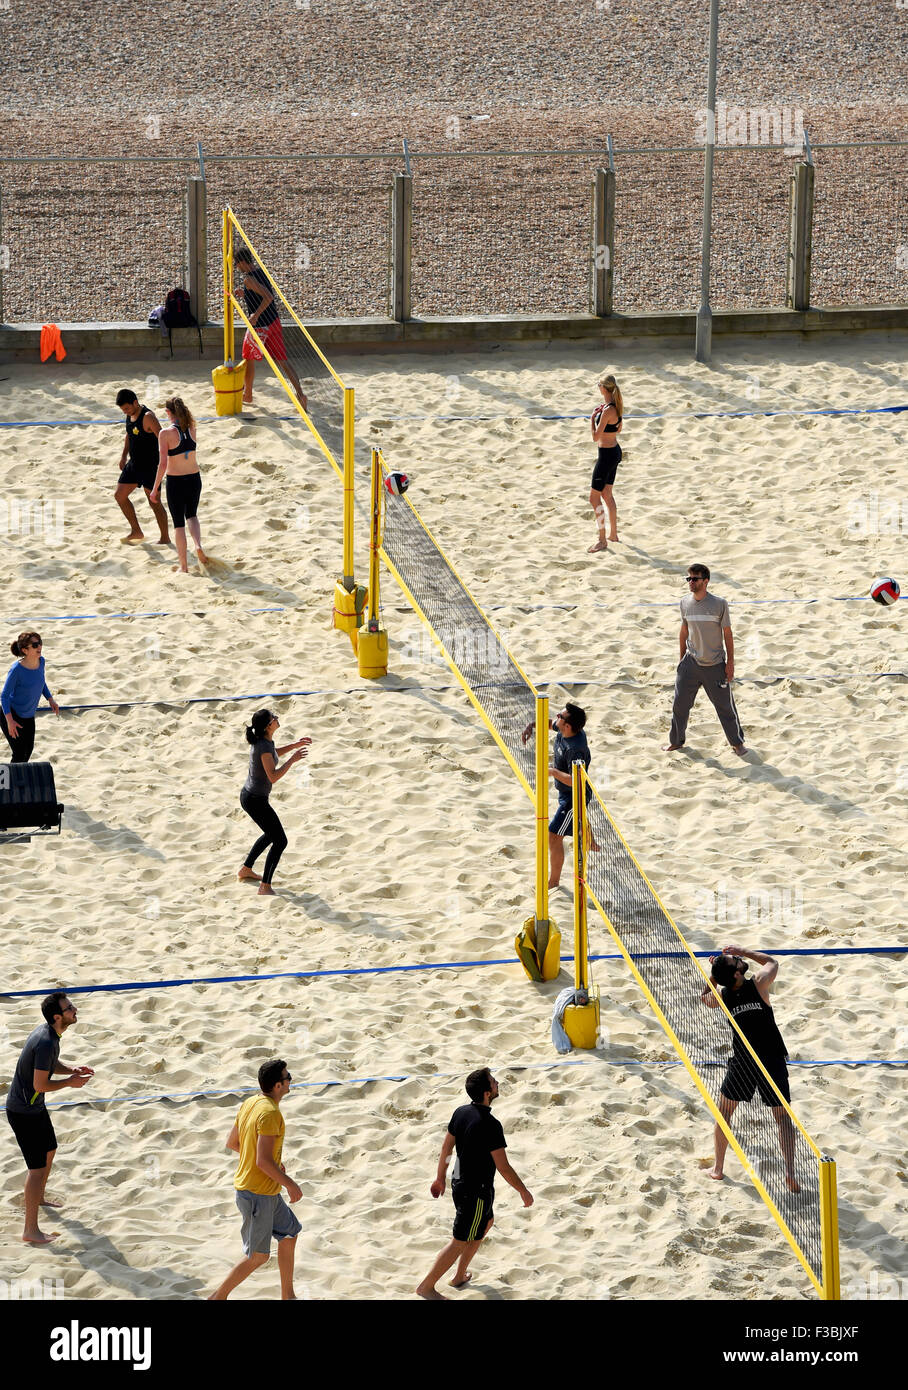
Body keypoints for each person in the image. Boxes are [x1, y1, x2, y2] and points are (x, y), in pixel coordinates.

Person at [416, 1069, 533, 1300]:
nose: (498, 1082)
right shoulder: (490, 1124)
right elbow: (504, 1167)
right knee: (460, 1240)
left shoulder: (461, 1112)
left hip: (460, 1181)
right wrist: (523, 1191)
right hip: (475, 1190)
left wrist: (440, 1178)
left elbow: (446, 1148)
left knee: (486, 1222)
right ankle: (426, 1287)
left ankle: (459, 1276)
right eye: (494, 1081)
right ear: (488, 1093)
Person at [700, 946, 800, 1192]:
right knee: (782, 1118)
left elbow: (704, 997)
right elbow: (772, 961)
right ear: (735, 975)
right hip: (770, 1061)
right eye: (735, 961)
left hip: (744, 1063)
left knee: (724, 1114)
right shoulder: (758, 983)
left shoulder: (724, 996)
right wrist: (743, 950)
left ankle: (718, 1170)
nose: (739, 959)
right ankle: (790, 1174)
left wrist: (715, 974)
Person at [209, 1059, 302, 1300]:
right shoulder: (270, 1113)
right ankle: (217, 1297)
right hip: (256, 1194)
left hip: (266, 1191)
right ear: (278, 1086)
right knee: (258, 1256)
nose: (290, 1078)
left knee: (290, 1233)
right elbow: (262, 1161)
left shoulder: (251, 1103)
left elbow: (233, 1143)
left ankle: (287, 1296)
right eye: (287, 1076)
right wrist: (290, 1183)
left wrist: (270, 1163)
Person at [5, 992, 94, 1244]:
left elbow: (48, 1064)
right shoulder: (45, 1041)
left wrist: (71, 1069)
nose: (74, 1010)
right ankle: (30, 1231)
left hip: (33, 1107)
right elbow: (40, 1084)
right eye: (69, 1008)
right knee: (36, 1169)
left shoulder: (49, 1034)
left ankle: (39, 1198)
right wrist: (70, 1082)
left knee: (50, 1150)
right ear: (58, 1017)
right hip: (23, 1111)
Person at [663, 563, 747, 755]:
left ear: (706, 581)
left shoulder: (719, 604)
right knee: (679, 705)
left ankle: (737, 744)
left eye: (695, 579)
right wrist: (681, 659)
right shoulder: (684, 602)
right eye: (689, 579)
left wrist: (731, 663)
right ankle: (676, 742)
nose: (691, 582)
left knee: (725, 708)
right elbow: (684, 630)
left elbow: (728, 634)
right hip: (690, 663)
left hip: (715, 664)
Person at [239, 708, 310, 896]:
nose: (277, 718)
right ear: (268, 726)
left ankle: (246, 869)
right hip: (254, 800)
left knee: (271, 835)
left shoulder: (265, 742)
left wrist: (294, 745)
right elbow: (273, 776)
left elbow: (273, 753)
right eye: (274, 718)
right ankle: (265, 886)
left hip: (253, 797)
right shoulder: (262, 746)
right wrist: (292, 760)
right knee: (280, 840)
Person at [521, 702, 593, 888]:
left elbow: (577, 781)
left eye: (560, 717)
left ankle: (553, 882)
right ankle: (588, 834)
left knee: (553, 835)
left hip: (575, 798)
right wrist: (532, 725)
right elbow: (550, 722)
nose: (556, 718)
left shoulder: (575, 749)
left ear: (567, 726)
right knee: (564, 828)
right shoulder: (565, 729)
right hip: (565, 793)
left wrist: (552, 772)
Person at [234, 247, 307, 411]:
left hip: (261, 327)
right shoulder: (260, 272)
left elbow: (268, 297)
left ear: (243, 263)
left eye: (237, 264)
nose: (237, 267)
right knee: (282, 361)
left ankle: (248, 395)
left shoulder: (248, 280)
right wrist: (245, 294)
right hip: (274, 322)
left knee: (248, 357)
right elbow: (260, 294)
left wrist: (256, 315)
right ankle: (301, 395)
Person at [150, 396, 207, 574]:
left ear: (168, 412)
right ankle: (198, 545)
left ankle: (184, 567)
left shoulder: (165, 434)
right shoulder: (192, 428)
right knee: (192, 515)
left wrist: (154, 488)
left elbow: (163, 464)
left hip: (176, 482)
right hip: (194, 478)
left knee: (178, 524)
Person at [114, 388, 170, 546]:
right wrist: (124, 455)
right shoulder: (129, 415)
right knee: (119, 496)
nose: (125, 412)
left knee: (154, 503)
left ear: (135, 402)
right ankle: (136, 530)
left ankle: (165, 538)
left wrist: (168, 461)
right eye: (122, 409)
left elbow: (162, 437)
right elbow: (129, 434)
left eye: (126, 408)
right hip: (134, 464)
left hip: (150, 467)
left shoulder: (148, 417)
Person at [2, 631, 60, 763]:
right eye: (34, 645)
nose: (39, 646)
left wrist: (50, 699)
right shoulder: (17, 669)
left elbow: (40, 681)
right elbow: (4, 696)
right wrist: (10, 721)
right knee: (19, 753)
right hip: (12, 715)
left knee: (28, 751)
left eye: (40, 643)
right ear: (25, 650)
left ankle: (18, 781)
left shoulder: (41, 661)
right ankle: (10, 782)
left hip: (28, 716)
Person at [587, 371, 623, 554]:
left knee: (594, 498)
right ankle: (613, 534)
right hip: (615, 451)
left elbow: (595, 437)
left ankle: (602, 540)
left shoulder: (608, 410)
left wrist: (593, 418)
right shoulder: (615, 406)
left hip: (607, 455)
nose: (598, 388)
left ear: (603, 388)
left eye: (598, 385)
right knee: (607, 494)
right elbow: (618, 429)